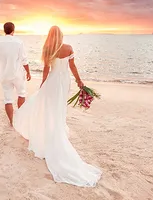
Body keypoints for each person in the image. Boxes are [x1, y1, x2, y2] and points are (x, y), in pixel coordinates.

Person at [13, 26, 102, 187]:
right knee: (59, 108)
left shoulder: (48, 48)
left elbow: (46, 70)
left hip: (52, 82)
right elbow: (72, 67)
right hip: (63, 82)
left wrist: (42, 85)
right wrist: (79, 81)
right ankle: (57, 130)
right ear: (60, 35)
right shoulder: (68, 48)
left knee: (48, 108)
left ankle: (50, 131)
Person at [0, 22, 31, 125]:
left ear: (4, 30)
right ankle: (21, 119)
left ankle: (11, 121)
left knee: (8, 99)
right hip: (17, 74)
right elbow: (24, 60)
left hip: (4, 74)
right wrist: (28, 72)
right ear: (13, 30)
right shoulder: (19, 42)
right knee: (21, 94)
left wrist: (2, 69)